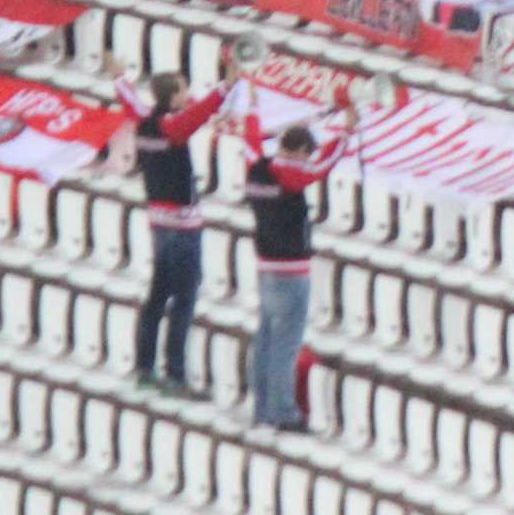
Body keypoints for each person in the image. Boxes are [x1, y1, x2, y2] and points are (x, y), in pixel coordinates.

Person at [110, 49, 235, 395]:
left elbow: (128, 97)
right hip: (182, 226)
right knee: (184, 300)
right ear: (173, 96)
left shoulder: (143, 119)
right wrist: (227, 84)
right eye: (182, 89)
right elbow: (201, 111)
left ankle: (145, 369)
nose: (187, 94)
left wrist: (118, 76)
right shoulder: (172, 127)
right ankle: (175, 375)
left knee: (156, 297)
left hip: (158, 222)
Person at [241, 89, 359, 432]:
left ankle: (262, 408)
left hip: (265, 265)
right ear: (301, 152)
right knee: (285, 345)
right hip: (290, 270)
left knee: (265, 340)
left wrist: (252, 105)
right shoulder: (290, 175)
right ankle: (282, 411)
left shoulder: (256, 167)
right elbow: (322, 166)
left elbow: (250, 139)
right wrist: (347, 129)